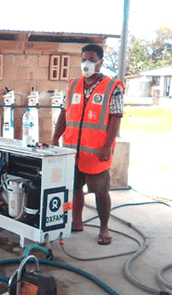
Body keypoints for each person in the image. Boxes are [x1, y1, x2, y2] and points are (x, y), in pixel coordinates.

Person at [51, 43, 124, 245]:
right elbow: (64, 113)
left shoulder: (112, 86)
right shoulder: (73, 85)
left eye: (91, 60)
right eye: (84, 59)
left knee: (101, 191)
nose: (87, 63)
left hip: (96, 152)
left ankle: (104, 227)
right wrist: (56, 137)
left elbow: (116, 118)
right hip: (71, 151)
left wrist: (107, 147)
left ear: (100, 62)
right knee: (74, 188)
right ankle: (76, 221)